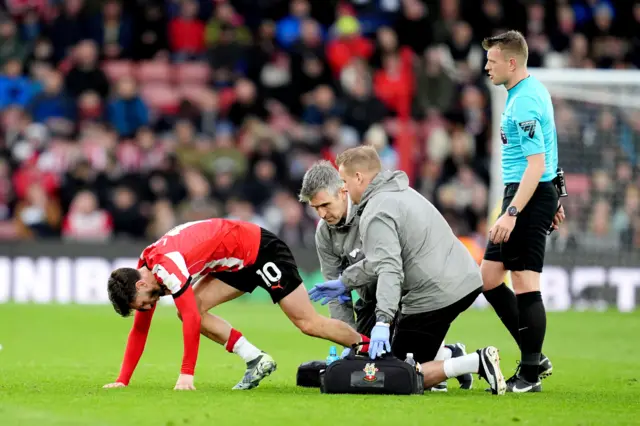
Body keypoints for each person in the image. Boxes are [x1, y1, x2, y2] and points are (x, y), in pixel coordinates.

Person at [307, 147, 506, 395]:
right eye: (315, 208)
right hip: (429, 283)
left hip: (425, 290)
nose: (321, 213)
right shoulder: (390, 196)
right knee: (368, 364)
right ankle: (444, 353)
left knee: (391, 375)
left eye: (326, 203)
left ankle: (474, 362)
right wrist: (349, 339)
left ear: (349, 184)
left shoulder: (374, 210)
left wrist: (383, 321)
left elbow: (389, 267)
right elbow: (375, 267)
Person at [103, 218, 370, 391]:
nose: (149, 307)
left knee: (307, 323)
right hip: (233, 261)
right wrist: (122, 380)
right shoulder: (145, 269)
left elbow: (193, 319)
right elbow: (139, 330)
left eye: (143, 304)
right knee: (190, 310)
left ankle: (369, 347)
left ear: (140, 285)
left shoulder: (166, 269)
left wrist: (186, 375)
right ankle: (255, 358)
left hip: (261, 251)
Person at [482, 30, 565, 393]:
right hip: (529, 192)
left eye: (492, 61)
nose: (486, 66)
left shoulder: (525, 101)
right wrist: (555, 194)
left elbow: (536, 162)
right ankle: (534, 354)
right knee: (488, 277)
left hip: (526, 196)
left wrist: (513, 211)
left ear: (511, 63)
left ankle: (530, 373)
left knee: (525, 282)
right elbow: (549, 148)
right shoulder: (526, 92)